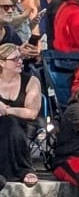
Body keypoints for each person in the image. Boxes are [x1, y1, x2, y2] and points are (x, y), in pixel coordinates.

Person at [0, 43, 42, 185]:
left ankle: (24, 169)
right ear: (2, 62)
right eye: (15, 59)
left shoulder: (31, 81)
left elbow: (32, 113)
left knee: (10, 122)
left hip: (24, 124)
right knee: (6, 124)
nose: (20, 61)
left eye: (21, 57)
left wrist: (7, 110)